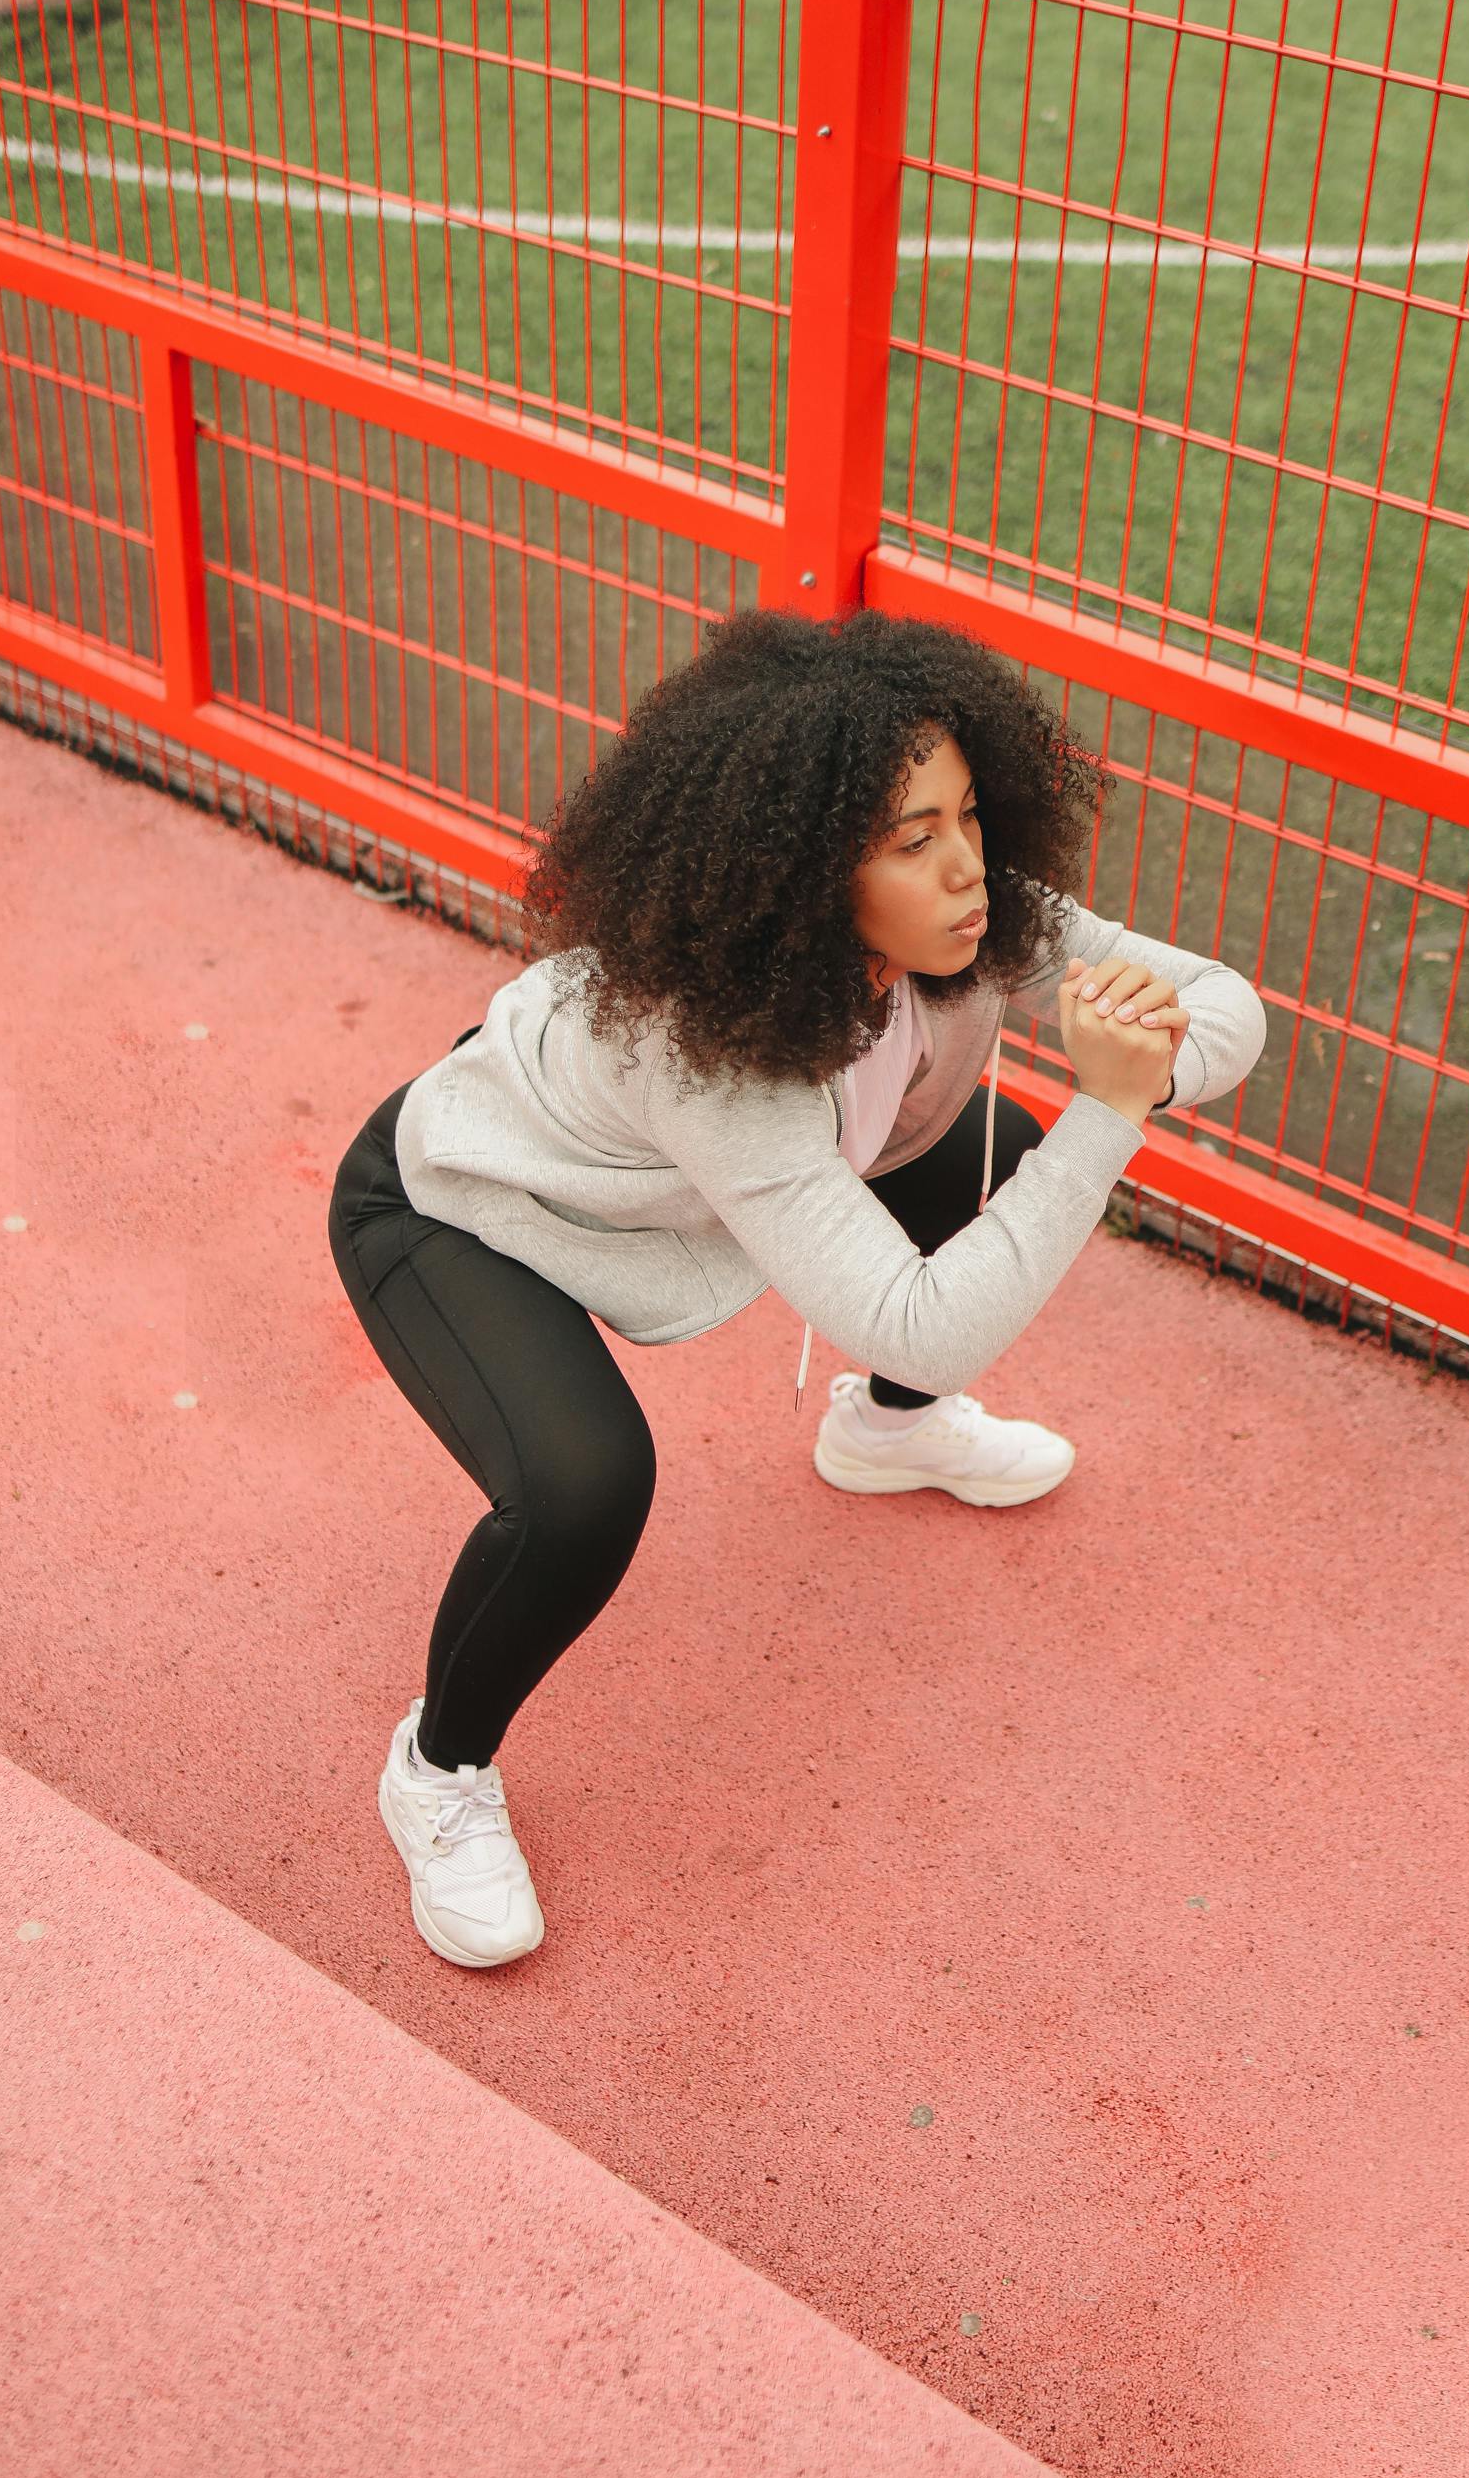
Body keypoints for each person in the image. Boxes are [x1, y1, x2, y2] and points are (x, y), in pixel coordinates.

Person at [327, 608, 1266, 1970]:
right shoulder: (714, 1048)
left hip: (679, 1186)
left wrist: (1154, 1054)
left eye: (964, 816)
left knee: (963, 1144)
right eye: (909, 841)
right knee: (585, 1486)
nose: (968, 872)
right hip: (464, 1204)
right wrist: (1111, 1109)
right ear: (798, 878)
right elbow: (920, 1312)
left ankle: (884, 1433)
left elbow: (1223, 998)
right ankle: (438, 1769)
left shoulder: (979, 916)